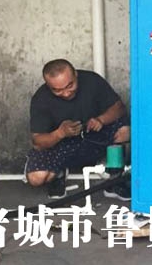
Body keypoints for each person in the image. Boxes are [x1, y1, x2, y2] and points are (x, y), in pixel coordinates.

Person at [25, 59, 130, 200]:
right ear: (48, 86)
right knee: (36, 178)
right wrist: (60, 133)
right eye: (57, 90)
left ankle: (114, 178)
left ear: (75, 74)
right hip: (63, 146)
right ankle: (58, 175)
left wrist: (101, 120)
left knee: (125, 131)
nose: (66, 93)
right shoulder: (41, 98)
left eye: (70, 86)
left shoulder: (92, 81)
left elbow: (119, 108)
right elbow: (38, 142)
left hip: (97, 137)